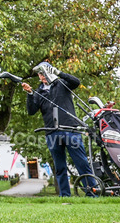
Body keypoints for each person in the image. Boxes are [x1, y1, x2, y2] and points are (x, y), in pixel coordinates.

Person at [22, 60, 98, 198]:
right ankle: (64, 195)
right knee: (60, 167)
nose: (42, 76)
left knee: (81, 163)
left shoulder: (62, 83)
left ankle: (92, 193)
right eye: (40, 73)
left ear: (50, 71)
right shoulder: (38, 91)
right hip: (52, 133)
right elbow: (31, 111)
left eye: (44, 72)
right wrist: (29, 94)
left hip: (70, 129)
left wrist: (59, 73)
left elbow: (76, 82)